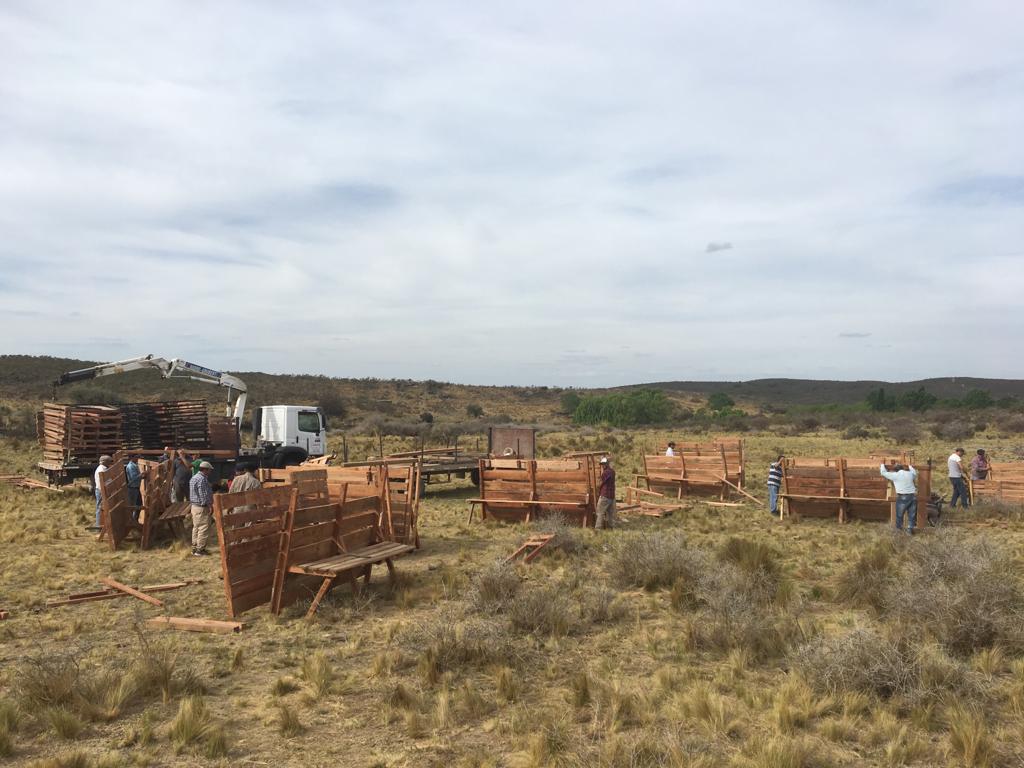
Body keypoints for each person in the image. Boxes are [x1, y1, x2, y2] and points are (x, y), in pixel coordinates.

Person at [880, 461, 918, 534]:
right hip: (912, 496)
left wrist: (882, 464)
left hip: (902, 497)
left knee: (899, 514)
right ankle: (910, 529)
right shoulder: (909, 474)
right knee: (911, 514)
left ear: (895, 470)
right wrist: (909, 466)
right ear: (902, 468)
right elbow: (914, 473)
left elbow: (883, 473)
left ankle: (899, 530)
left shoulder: (895, 475)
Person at [189, 460, 215, 556]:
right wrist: (209, 505)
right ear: (205, 469)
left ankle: (194, 548)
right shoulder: (202, 479)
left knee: (196, 527)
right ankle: (200, 550)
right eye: (209, 470)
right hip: (201, 507)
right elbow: (203, 494)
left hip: (194, 506)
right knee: (203, 528)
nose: (210, 472)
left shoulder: (194, 478)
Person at [91, 454, 113, 531]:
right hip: (101, 491)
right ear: (105, 462)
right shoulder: (102, 470)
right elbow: (105, 482)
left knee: (101, 508)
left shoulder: (103, 468)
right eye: (109, 461)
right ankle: (99, 527)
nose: (110, 463)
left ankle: (101, 526)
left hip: (101, 490)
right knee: (100, 508)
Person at [596, 456, 616, 530]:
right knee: (610, 514)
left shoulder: (606, 472)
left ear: (607, 464)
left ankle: (598, 529)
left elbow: (600, 483)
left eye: (604, 464)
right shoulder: (612, 471)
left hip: (605, 496)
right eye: (602, 464)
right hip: (611, 496)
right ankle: (610, 529)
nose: (603, 466)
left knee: (600, 512)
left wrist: (597, 488)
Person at [125, 454, 143, 519]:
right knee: (133, 506)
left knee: (138, 505)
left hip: (136, 488)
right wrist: (142, 475)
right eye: (136, 457)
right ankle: (132, 520)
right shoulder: (130, 466)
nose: (137, 458)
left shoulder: (134, 465)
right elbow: (133, 478)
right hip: (132, 488)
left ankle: (135, 520)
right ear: (131, 457)